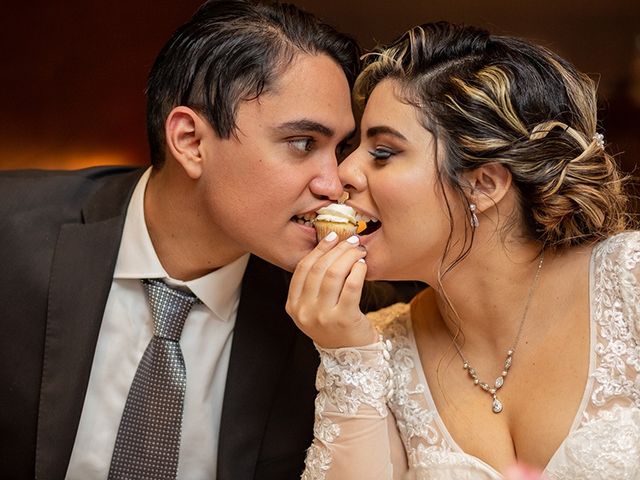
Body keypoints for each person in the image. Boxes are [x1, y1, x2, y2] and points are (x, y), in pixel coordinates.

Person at [0, 1, 420, 479]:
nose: (335, 181)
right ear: (191, 141)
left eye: (340, 149)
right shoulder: (10, 236)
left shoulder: (345, 316)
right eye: (303, 143)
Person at [286, 22, 640, 479]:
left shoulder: (630, 283)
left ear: (483, 183)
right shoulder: (377, 349)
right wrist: (345, 353)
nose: (342, 174)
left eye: (383, 152)